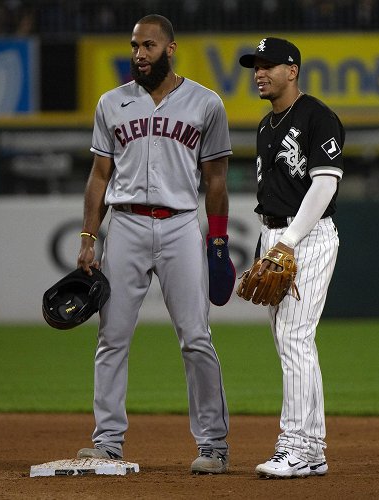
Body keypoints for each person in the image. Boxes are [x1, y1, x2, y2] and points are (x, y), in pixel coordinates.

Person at [76, 14, 231, 474]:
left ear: (171, 48)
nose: (139, 54)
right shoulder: (111, 103)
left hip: (182, 224)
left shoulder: (206, 103)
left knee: (196, 337)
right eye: (134, 46)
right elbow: (99, 176)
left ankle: (214, 446)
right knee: (112, 337)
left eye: (148, 46)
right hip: (125, 226)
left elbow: (216, 179)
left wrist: (218, 240)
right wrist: (89, 236)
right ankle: (107, 442)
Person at [238, 37, 344, 478]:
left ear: (292, 69)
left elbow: (324, 185)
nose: (259, 72)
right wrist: (271, 242)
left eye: (268, 65)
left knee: (296, 339)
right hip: (274, 233)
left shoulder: (319, 117)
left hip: (307, 236)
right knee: (290, 341)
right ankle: (311, 448)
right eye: (255, 66)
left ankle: (298, 446)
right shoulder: (265, 126)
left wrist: (290, 241)